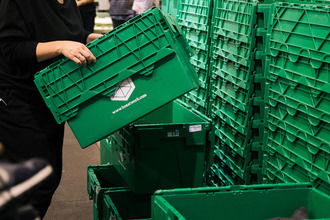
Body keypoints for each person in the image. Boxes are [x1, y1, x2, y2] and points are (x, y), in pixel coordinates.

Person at [0, 0, 102, 218]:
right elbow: (10, 49)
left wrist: (88, 38)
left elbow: (68, 32)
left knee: (49, 178)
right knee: (32, 185)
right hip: (19, 99)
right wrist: (61, 46)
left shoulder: (67, 2)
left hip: (52, 100)